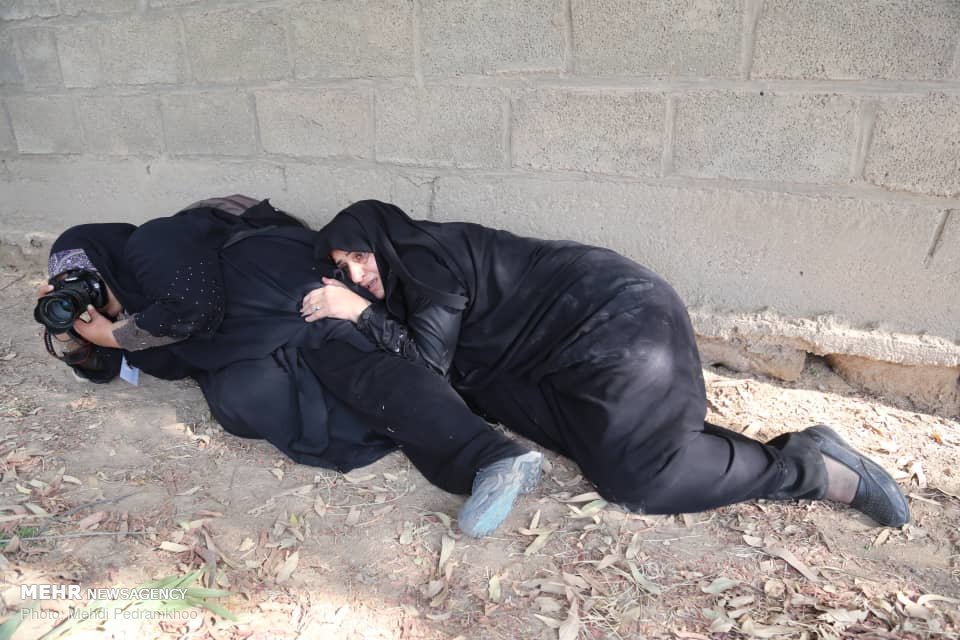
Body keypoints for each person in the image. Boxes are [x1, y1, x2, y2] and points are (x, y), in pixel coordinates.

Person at [303, 199, 910, 534]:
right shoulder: (412, 266)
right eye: (343, 268)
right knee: (591, 445)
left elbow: (426, 365)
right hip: (566, 347)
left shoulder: (425, 262)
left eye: (360, 256)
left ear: (383, 240)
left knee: (640, 482)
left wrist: (359, 312)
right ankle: (772, 450)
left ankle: (815, 469)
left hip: (619, 322)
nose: (357, 273)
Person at [37, 196, 543, 530]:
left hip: (280, 286)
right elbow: (107, 367)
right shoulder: (138, 309)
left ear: (103, 261)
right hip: (244, 332)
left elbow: (193, 308)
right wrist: (69, 331)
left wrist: (114, 334)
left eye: (89, 284)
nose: (92, 300)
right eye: (73, 291)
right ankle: (410, 416)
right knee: (239, 402)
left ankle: (492, 458)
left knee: (340, 354)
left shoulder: (152, 243)